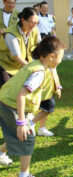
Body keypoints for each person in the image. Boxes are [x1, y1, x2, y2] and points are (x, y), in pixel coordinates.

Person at [0, 36, 64, 177]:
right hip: (12, 106)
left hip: (5, 102)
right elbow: (21, 95)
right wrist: (21, 122)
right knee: (27, 139)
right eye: (61, 56)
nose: (61, 60)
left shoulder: (36, 64)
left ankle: (2, 153)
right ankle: (24, 174)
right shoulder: (39, 72)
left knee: (18, 136)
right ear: (52, 56)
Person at [0, 7, 41, 167]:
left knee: (17, 104)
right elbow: (17, 56)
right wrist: (34, 68)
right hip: (6, 66)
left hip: (23, 67)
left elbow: (38, 47)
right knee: (7, 101)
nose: (34, 25)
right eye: (32, 22)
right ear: (23, 20)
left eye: (36, 22)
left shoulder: (34, 30)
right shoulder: (10, 33)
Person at [29, 68, 62, 137]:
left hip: (47, 93)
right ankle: (30, 124)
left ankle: (41, 128)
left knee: (46, 108)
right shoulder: (39, 65)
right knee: (49, 107)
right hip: (39, 92)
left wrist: (58, 87)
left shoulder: (52, 65)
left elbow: (55, 74)